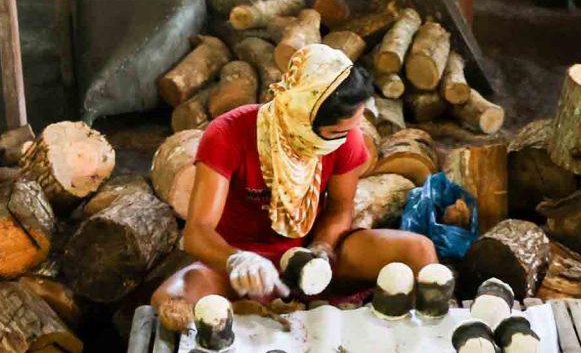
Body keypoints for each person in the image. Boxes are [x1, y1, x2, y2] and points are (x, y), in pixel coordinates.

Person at [152, 42, 439, 330]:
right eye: (337, 132)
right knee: (171, 300)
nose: (349, 137)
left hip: (311, 254)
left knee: (419, 252)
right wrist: (237, 260)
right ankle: (244, 312)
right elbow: (197, 232)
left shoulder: (346, 138)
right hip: (244, 266)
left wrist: (322, 248)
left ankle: (425, 347)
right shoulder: (228, 133)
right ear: (302, 117)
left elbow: (340, 207)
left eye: (351, 128)